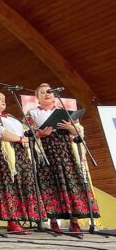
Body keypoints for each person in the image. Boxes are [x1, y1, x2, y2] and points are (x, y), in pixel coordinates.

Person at [27, 83, 100, 233]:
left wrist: (70, 128)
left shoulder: (65, 112)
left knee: (73, 183)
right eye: (42, 93)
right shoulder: (32, 113)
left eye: (49, 92)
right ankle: (53, 221)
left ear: (54, 96)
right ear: (37, 97)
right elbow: (27, 133)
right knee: (50, 184)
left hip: (66, 152)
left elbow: (79, 133)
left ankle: (74, 221)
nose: (47, 94)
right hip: (46, 153)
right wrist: (40, 134)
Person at [0, 92, 40, 234]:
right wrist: (19, 139)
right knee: (8, 185)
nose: (3, 101)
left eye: (4, 99)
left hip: (19, 153)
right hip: (0, 155)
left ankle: (22, 217)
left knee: (21, 183)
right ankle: (12, 221)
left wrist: (30, 134)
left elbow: (25, 132)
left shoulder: (10, 116)